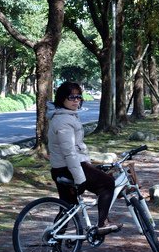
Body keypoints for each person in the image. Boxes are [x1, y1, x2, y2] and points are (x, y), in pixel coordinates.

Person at [47, 81, 122, 235]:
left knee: (69, 208)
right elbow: (69, 153)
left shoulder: (66, 116)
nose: (76, 100)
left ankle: (54, 246)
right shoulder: (63, 121)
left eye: (78, 97)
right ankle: (103, 223)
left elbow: (76, 148)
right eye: (71, 97)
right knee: (108, 183)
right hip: (68, 168)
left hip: (61, 168)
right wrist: (80, 178)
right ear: (62, 99)